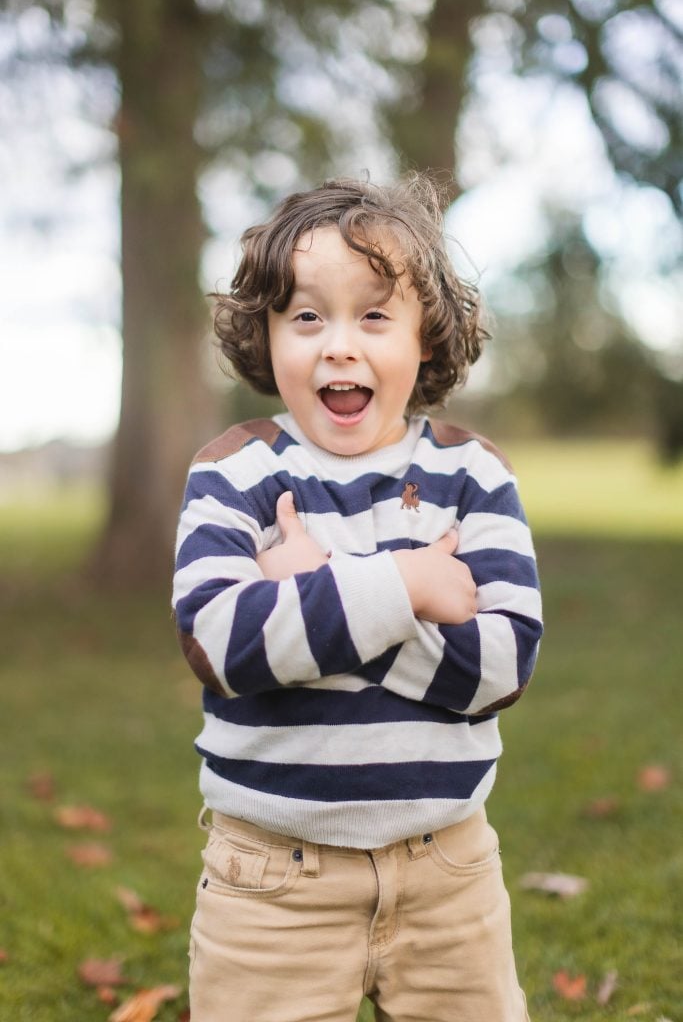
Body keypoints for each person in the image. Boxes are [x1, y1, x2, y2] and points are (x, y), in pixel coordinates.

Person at [172, 175, 543, 1022]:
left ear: (424, 335)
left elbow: (500, 664)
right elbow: (224, 644)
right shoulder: (235, 470)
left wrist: (312, 592)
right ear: (265, 336)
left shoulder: (472, 473)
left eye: (373, 315)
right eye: (306, 316)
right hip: (269, 882)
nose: (339, 345)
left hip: (447, 870)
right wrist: (410, 585)